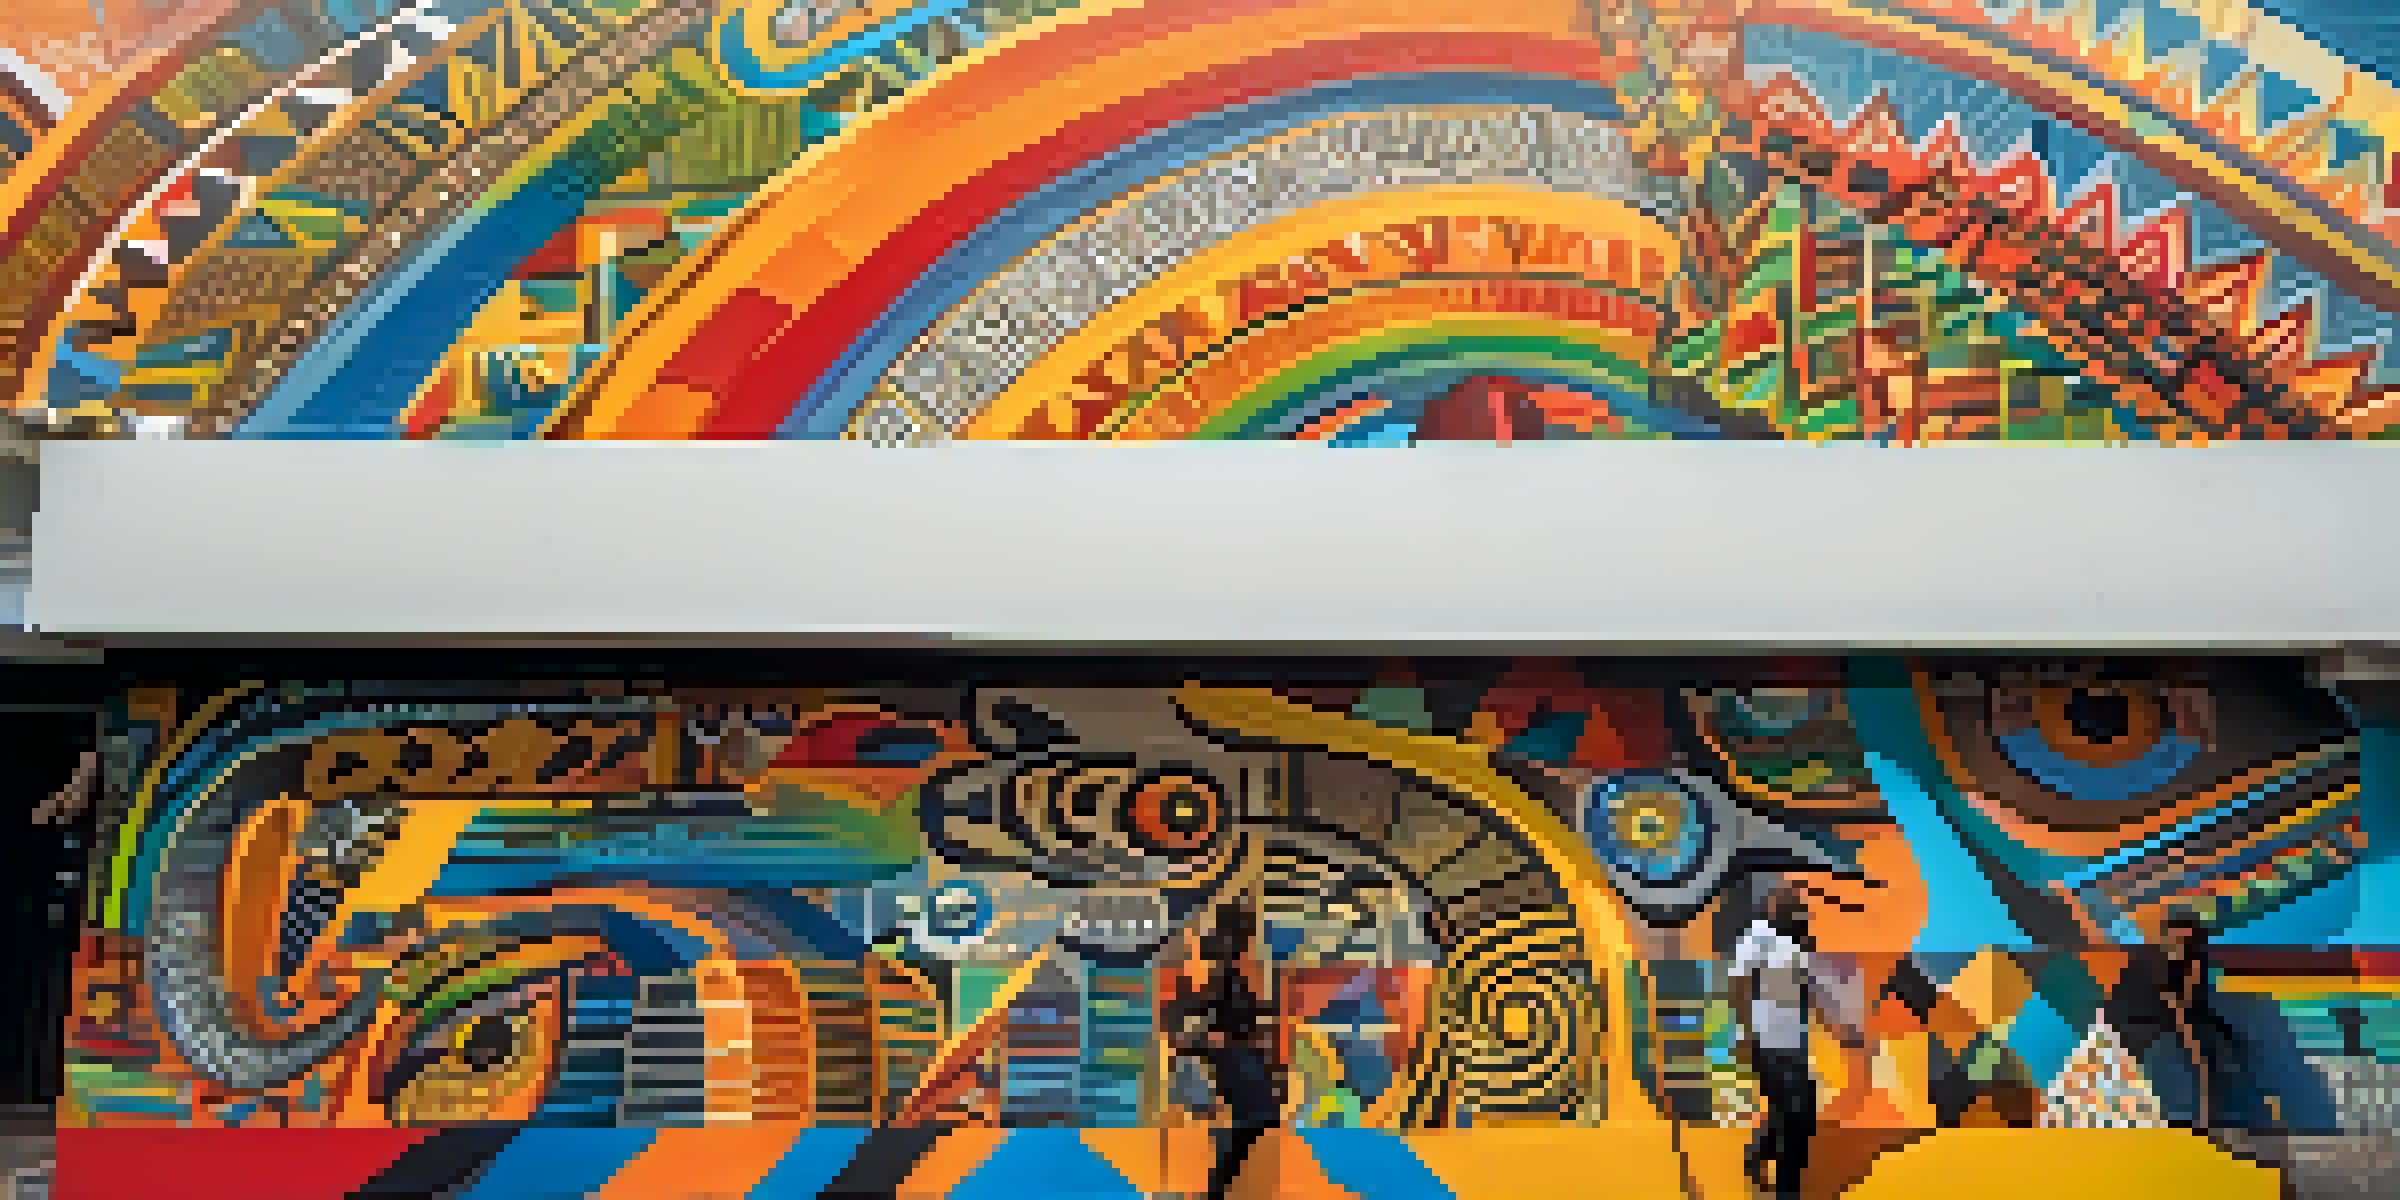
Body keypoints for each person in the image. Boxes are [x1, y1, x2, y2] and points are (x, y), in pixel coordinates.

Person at [1162, 902, 1282, 1200]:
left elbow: (1201, 1011)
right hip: (1233, 1057)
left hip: (1241, 1057)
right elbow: (1183, 1013)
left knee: (1256, 1121)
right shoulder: (1222, 964)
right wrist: (1204, 1039)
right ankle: (1221, 1187)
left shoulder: (1232, 967)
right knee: (1255, 1119)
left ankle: (1224, 1186)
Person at [2110, 913, 2245, 1133]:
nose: (2177, 935)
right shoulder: (2169, 958)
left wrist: (2175, 1005)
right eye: (2174, 930)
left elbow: (2188, 995)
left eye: (2182, 930)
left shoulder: (2192, 959)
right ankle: (2198, 1119)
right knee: (2191, 1070)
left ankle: (2205, 1120)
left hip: (2190, 1019)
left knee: (2202, 1069)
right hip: (2175, 1022)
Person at [1729, 887, 1819, 1199]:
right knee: (1795, 1115)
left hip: (1795, 1042)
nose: (1795, 907)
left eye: (1797, 904)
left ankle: (1758, 1150)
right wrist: (1744, 1034)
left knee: (1799, 1114)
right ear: (1771, 906)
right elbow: (1739, 985)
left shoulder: (1798, 943)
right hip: (1766, 1041)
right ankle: (1786, 1191)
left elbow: (1803, 994)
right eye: (1786, 901)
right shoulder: (1757, 936)